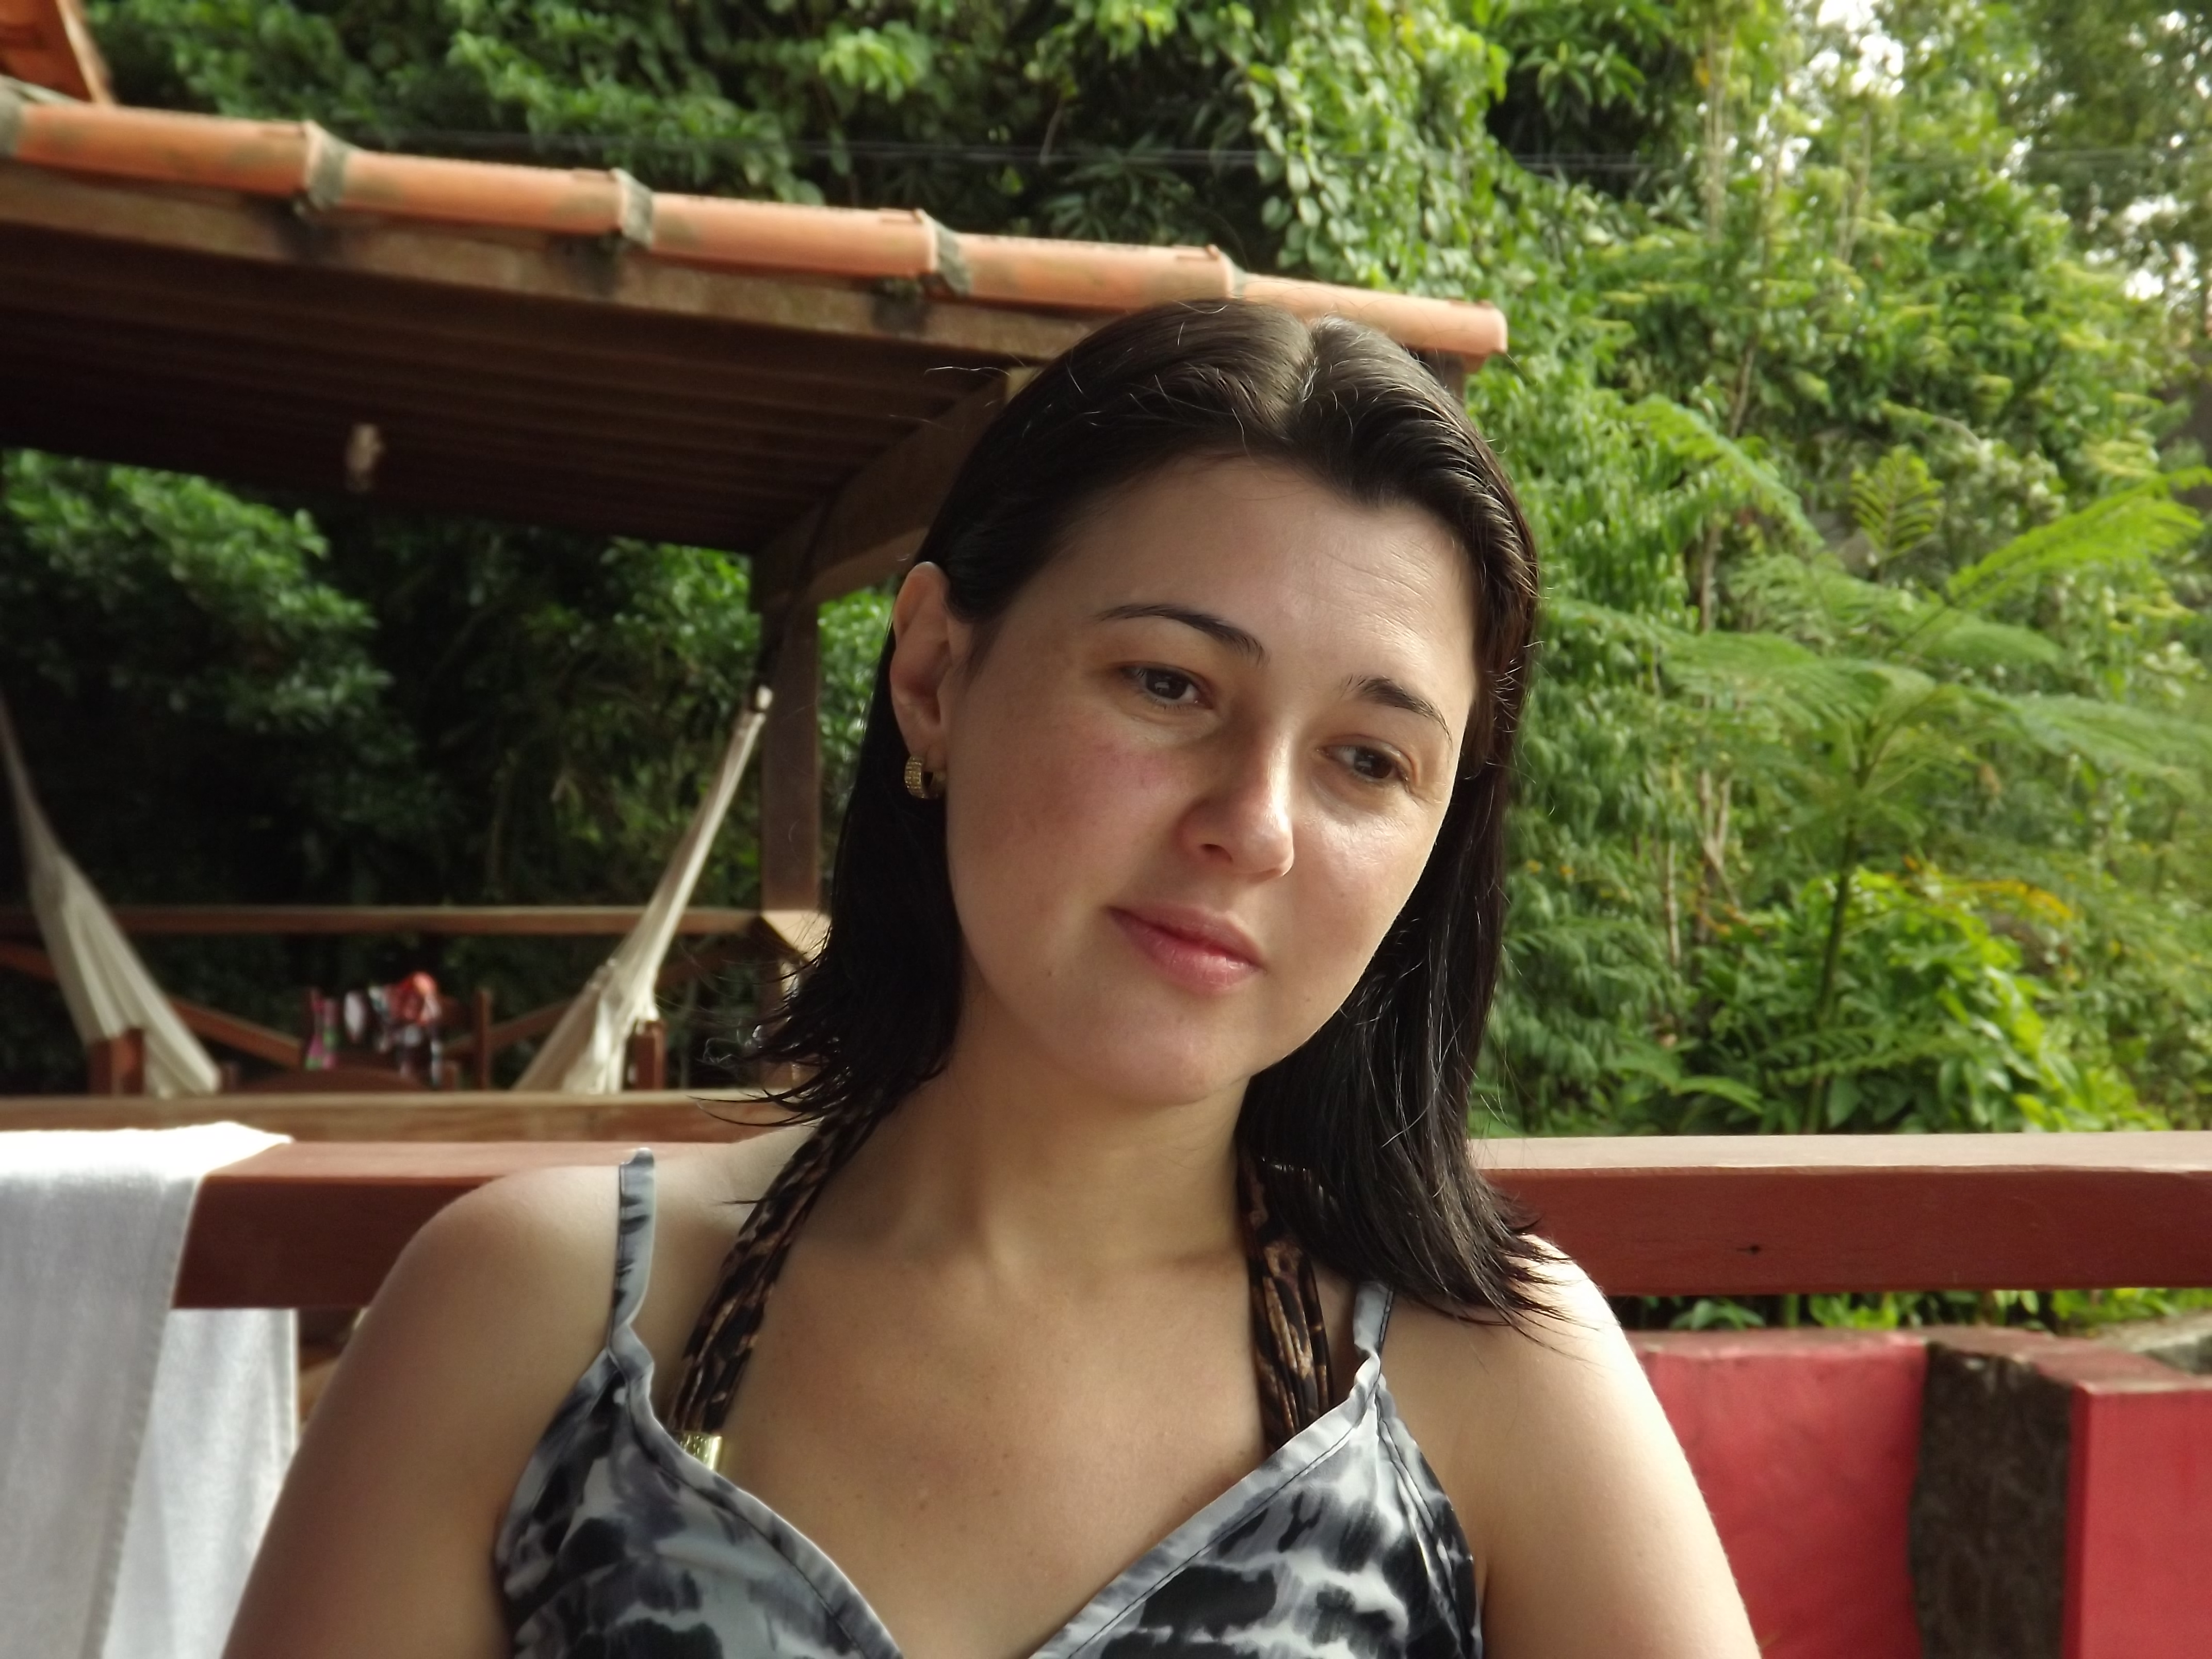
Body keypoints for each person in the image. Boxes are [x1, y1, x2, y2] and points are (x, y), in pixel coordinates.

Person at [225, 302, 1758, 1659]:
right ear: (934, 677)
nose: (1255, 826)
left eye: (1369, 760)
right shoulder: (549, 1322)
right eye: (1169, 683)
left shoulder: (1486, 1377)